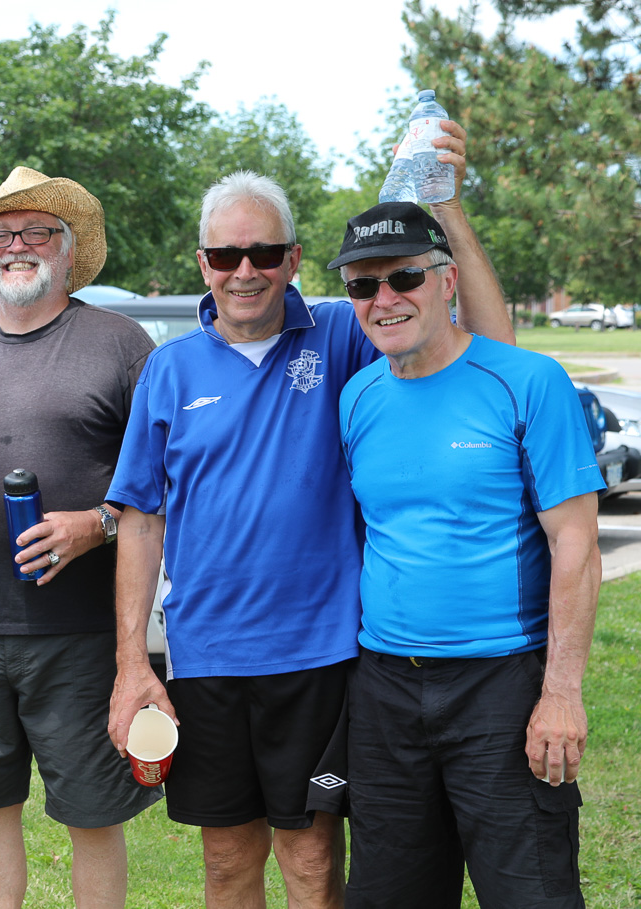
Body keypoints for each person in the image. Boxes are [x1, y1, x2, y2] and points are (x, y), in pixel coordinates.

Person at [107, 122, 514, 909]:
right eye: (227, 255)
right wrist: (132, 662)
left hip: (320, 655)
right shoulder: (168, 369)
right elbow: (142, 519)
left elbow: (488, 344)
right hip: (207, 656)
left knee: (312, 858)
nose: (246, 271)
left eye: (265, 253)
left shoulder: (341, 335)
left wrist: (447, 209)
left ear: (294, 259)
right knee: (227, 863)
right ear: (203, 264)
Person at [0, 166, 161, 909]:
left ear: (68, 248)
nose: (16, 245)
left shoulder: (120, 344)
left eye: (36, 231)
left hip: (80, 634)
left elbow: (159, 491)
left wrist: (96, 523)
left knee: (93, 814)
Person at [335, 201, 601, 908]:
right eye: (363, 285)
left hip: (501, 685)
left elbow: (575, 541)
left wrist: (561, 693)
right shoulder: (356, 396)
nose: (384, 299)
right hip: (384, 689)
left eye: (405, 278)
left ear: (447, 281)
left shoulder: (528, 381)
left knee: (530, 893)